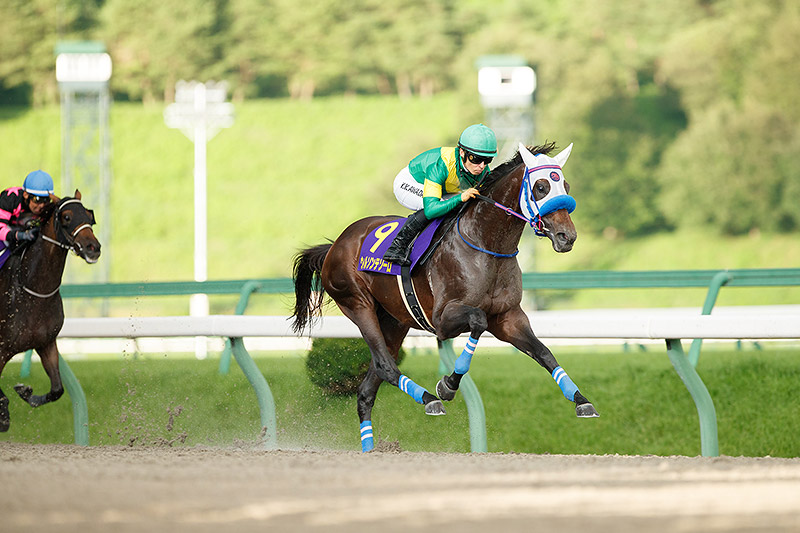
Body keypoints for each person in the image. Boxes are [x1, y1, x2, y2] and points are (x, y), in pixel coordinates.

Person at [383, 123, 497, 266]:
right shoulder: (441, 164)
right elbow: (431, 209)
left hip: (442, 190)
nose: (481, 166)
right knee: (441, 207)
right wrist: (460, 197)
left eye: (487, 160)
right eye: (476, 159)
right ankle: (396, 247)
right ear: (462, 152)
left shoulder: (482, 170)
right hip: (410, 183)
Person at [0, 170, 54, 262]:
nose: (42, 206)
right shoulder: (10, 198)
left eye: (46, 200)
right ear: (26, 195)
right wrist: (20, 235)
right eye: (37, 199)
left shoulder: (47, 208)